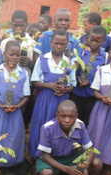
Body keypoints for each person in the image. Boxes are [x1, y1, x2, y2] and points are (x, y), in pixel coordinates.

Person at [35, 100, 102, 175]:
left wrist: (84, 168)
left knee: (97, 162)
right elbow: (45, 156)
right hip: (51, 158)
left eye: (71, 117)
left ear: (76, 116)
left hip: (70, 157)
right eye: (63, 116)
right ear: (57, 115)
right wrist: (66, 169)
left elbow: (90, 150)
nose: (67, 120)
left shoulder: (80, 125)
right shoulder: (47, 128)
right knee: (46, 174)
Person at [28, 29, 77, 159]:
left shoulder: (69, 62)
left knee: (58, 129)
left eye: (63, 44)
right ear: (51, 42)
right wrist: (48, 85)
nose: (59, 46)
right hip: (44, 99)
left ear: (67, 44)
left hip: (61, 102)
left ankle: (56, 159)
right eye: (56, 43)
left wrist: (65, 89)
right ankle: (37, 158)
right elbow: (35, 81)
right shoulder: (42, 59)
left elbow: (72, 85)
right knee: (40, 126)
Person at [0, 40, 30, 168]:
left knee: (14, 137)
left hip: (15, 112)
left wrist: (17, 106)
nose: (15, 58)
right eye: (12, 54)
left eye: (17, 55)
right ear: (4, 54)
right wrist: (0, 105)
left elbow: (26, 95)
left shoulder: (23, 73)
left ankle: (11, 164)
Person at [87, 40, 111, 175]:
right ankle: (93, 174)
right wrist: (104, 98)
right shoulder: (102, 70)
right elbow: (95, 90)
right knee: (97, 139)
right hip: (101, 110)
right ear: (109, 53)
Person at [71, 26, 109, 126]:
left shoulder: (105, 57)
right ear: (88, 38)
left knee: (89, 121)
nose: (94, 43)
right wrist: (77, 78)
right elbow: (72, 70)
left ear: (104, 41)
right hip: (77, 94)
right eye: (92, 40)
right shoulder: (81, 53)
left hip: (93, 97)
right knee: (75, 120)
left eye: (98, 41)